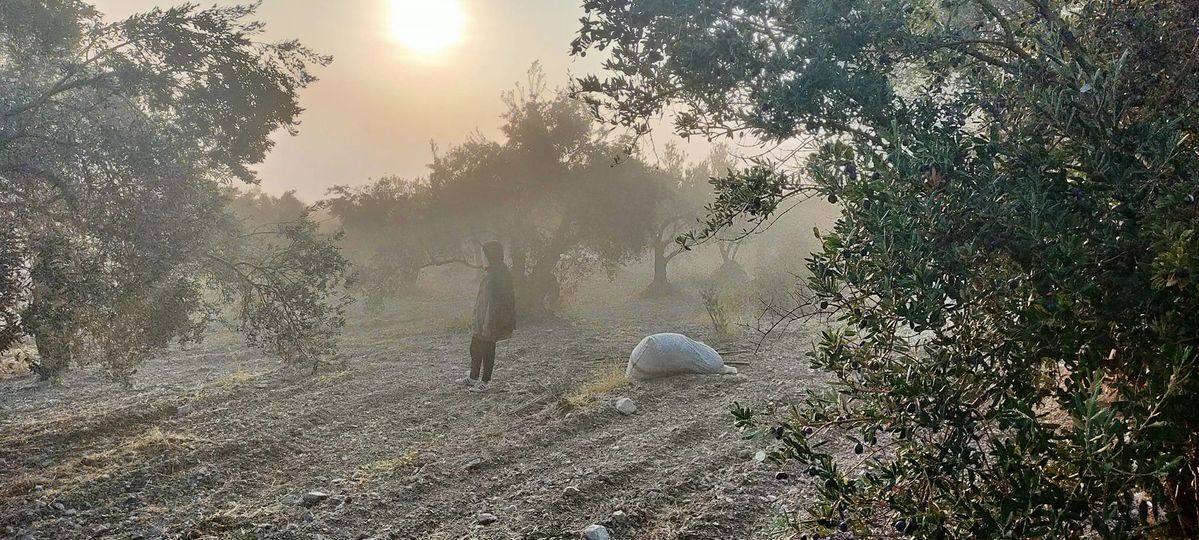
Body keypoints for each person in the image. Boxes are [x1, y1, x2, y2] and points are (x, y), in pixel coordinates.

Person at [457, 241, 515, 391]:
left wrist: (488, 325)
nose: (483, 259)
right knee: (474, 348)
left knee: (488, 350)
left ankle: (485, 382)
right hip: (482, 320)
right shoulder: (492, 273)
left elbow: (496, 304)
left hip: (490, 321)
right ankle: (473, 377)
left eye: (485, 255)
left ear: (492, 256)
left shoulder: (498, 276)